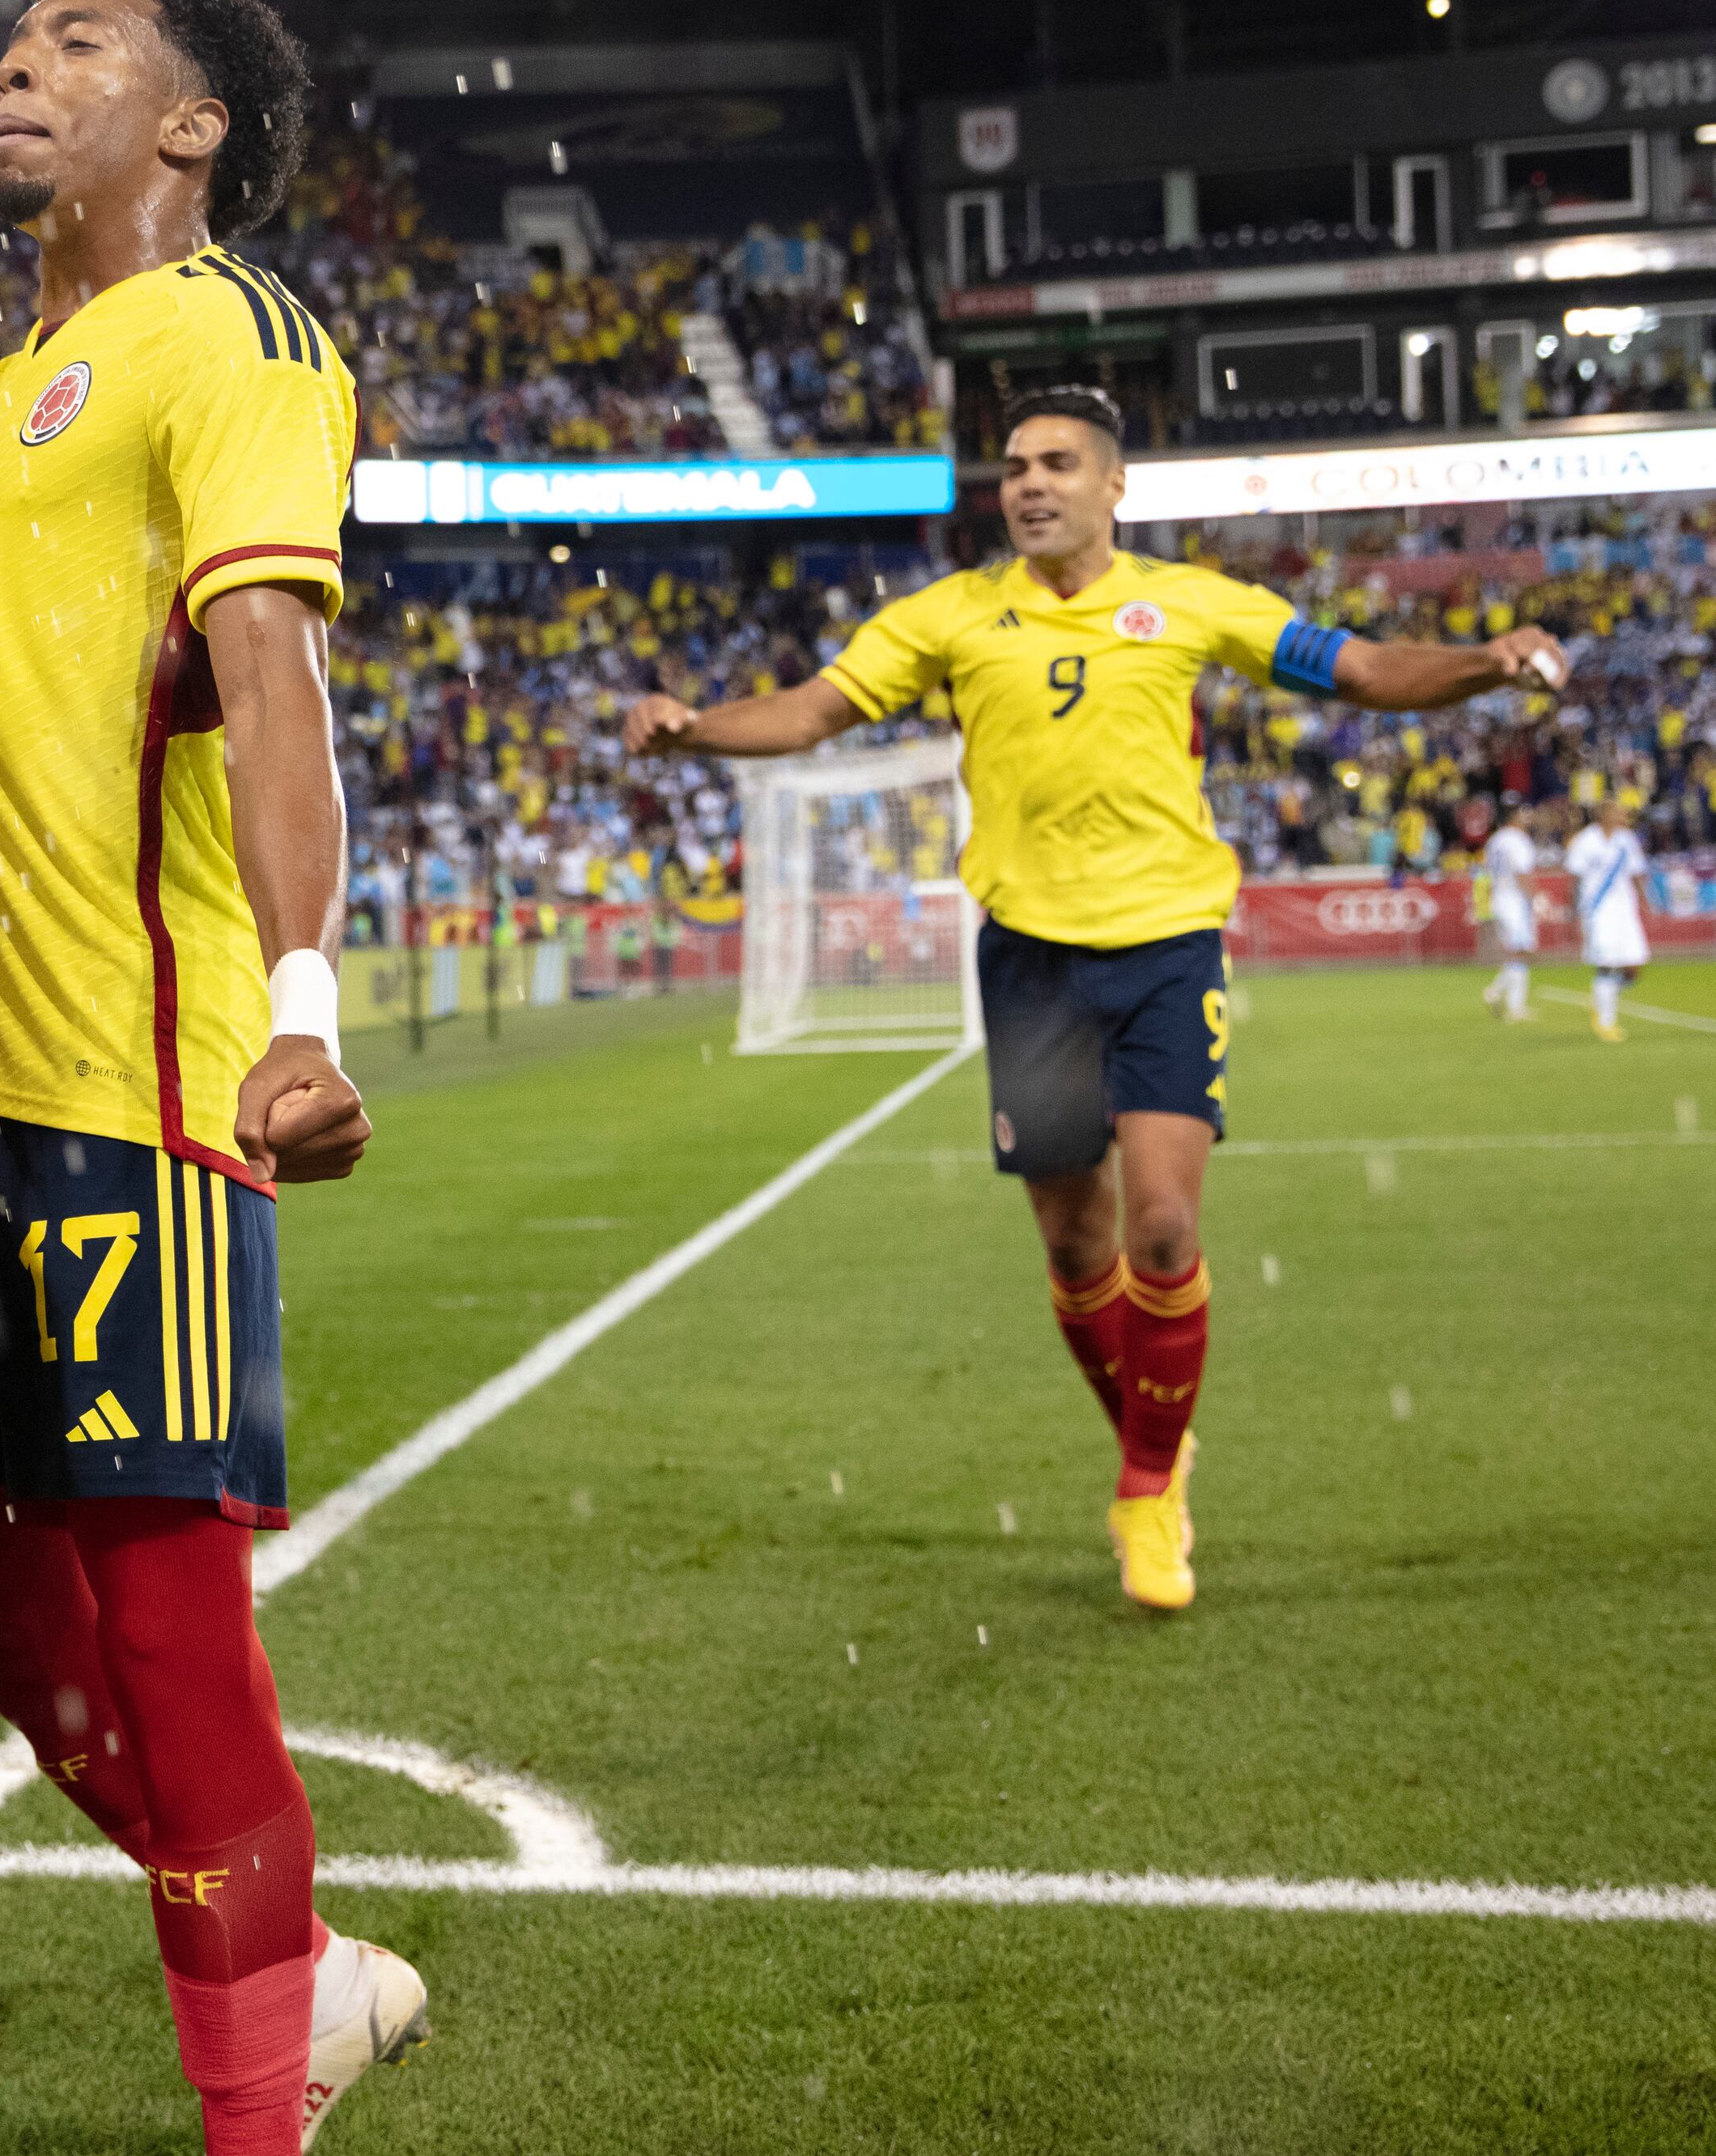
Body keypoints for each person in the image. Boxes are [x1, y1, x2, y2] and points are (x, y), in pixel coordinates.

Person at [0, 0, 418, 2156]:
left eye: (80, 45)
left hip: (135, 1092)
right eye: (17, 34)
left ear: (184, 124)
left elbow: (271, 670)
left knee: (180, 1649)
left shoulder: (231, 339)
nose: (18, 65)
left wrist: (300, 1004)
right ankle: (290, 1976)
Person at [631, 383, 1569, 1610]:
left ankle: (1145, 1490)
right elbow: (811, 714)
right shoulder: (952, 618)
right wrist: (692, 728)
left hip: (1168, 947)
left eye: (1057, 463)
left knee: (1163, 1230)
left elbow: (1360, 667)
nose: (1028, 483)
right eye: (1015, 464)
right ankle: (1155, 1440)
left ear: (1112, 486)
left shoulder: (1188, 602)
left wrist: (1483, 666)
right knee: (1077, 1249)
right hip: (1029, 960)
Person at [1565, 791, 1650, 1041]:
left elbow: (1636, 872)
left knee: (1634, 966)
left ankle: (1600, 997)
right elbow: (1575, 878)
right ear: (1603, 815)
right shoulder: (1585, 841)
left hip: (1625, 909)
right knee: (1606, 964)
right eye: (1617, 811)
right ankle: (1606, 1022)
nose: (1623, 815)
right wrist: (1574, 912)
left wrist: (1645, 900)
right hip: (1598, 910)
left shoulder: (1626, 840)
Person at [1480, 806, 1544, 1023]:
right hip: (1515, 900)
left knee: (1518, 951)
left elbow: (1487, 870)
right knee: (1522, 950)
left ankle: (1501, 994)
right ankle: (1509, 1002)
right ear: (1515, 817)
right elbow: (1522, 872)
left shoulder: (1495, 840)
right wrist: (1534, 897)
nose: (1528, 816)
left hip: (1499, 898)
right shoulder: (1518, 840)